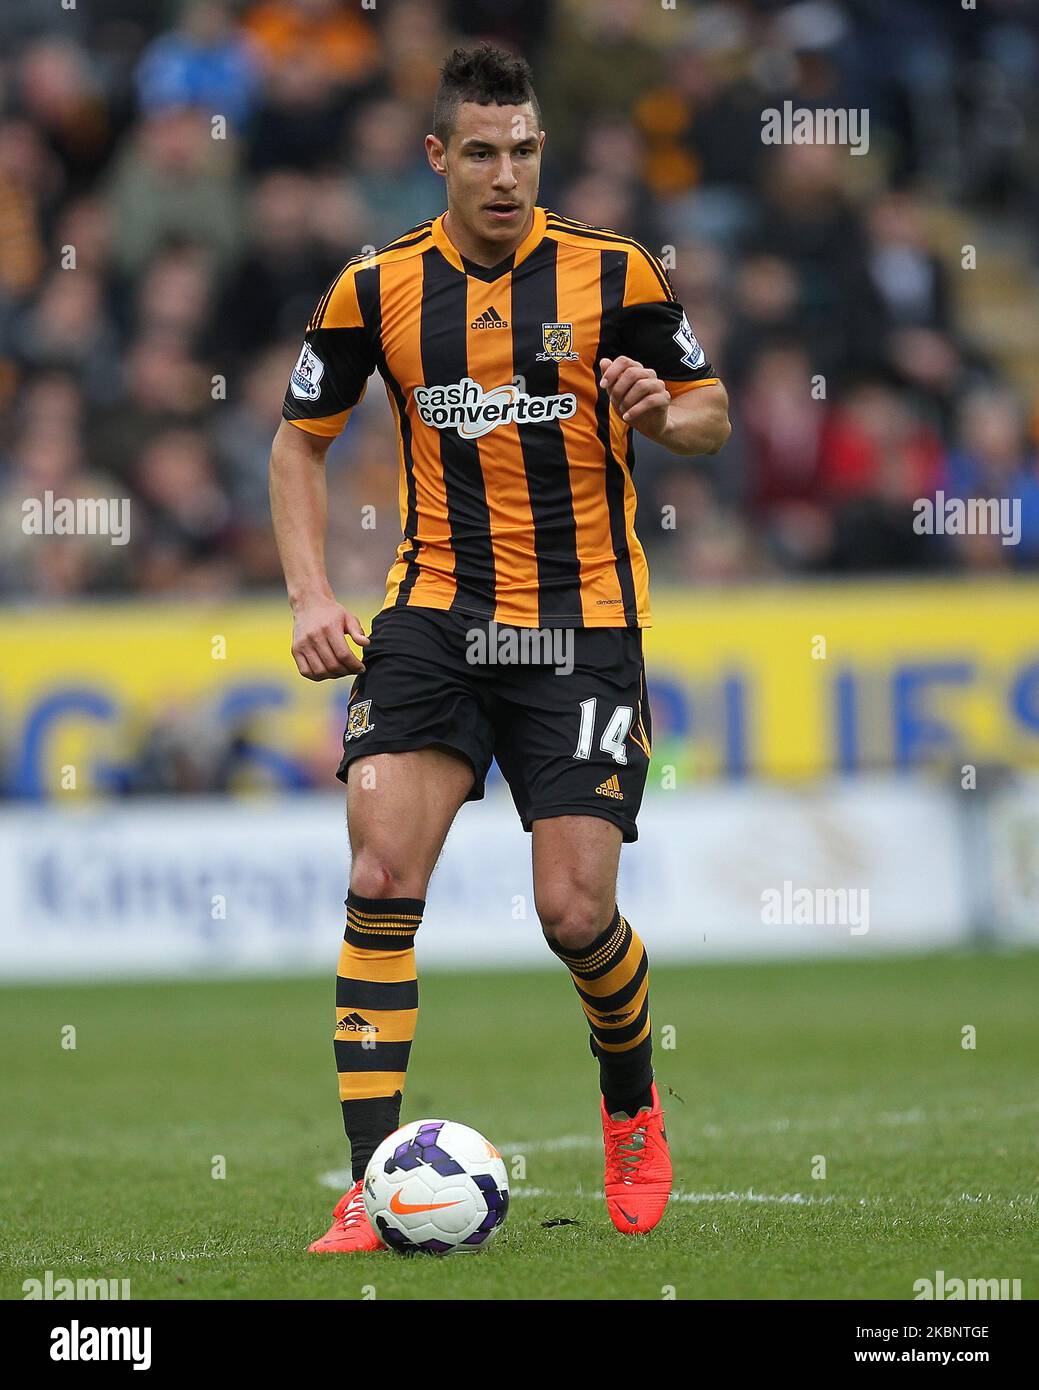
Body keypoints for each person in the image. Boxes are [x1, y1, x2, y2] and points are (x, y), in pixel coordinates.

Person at [269, 43, 730, 1253]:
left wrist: (659, 413)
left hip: (581, 624)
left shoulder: (612, 271)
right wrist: (313, 592)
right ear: (438, 157)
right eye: (481, 151)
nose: (507, 174)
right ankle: (372, 1187)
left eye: (524, 149)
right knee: (379, 882)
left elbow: (710, 411)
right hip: (431, 619)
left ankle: (630, 1105)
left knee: (574, 911)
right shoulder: (374, 286)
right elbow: (297, 441)